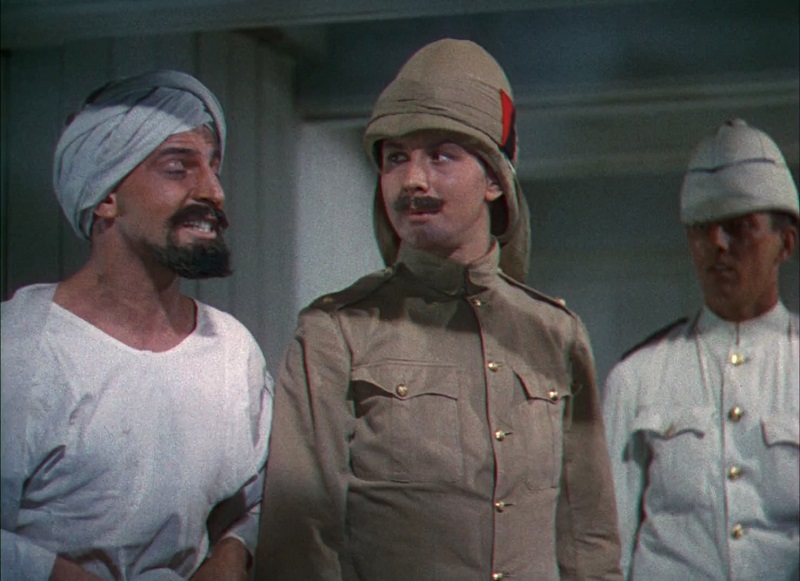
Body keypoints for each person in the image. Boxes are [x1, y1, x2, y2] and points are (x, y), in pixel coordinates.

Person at [256, 38, 621, 581]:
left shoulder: (555, 333)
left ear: (495, 179)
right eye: (396, 158)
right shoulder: (337, 332)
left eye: (441, 156)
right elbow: (299, 545)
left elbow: (588, 539)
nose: (413, 180)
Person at [1, 70, 274, 581]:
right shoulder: (19, 349)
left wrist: (231, 553)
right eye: (178, 168)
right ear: (106, 196)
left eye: (213, 167)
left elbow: (260, 499)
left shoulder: (230, 351)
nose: (213, 191)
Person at [602, 118, 799, 580]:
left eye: (739, 227)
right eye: (701, 229)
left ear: (786, 243)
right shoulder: (638, 377)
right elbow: (608, 549)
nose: (716, 245)